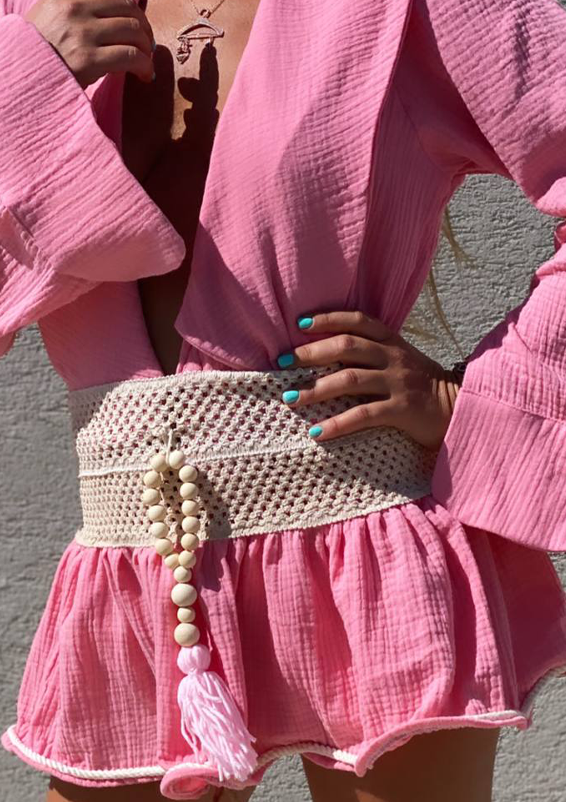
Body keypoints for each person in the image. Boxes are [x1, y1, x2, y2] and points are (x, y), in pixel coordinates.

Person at [2, 0, 566, 799]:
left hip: (368, 553)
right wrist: (24, 81)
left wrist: (465, 401)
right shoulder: (32, 13)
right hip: (130, 567)